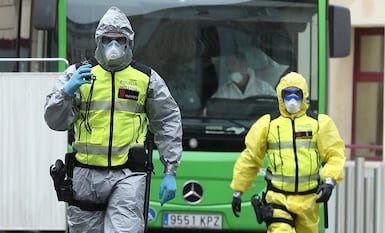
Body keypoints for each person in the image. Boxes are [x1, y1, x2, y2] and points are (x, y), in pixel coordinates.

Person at [44, 6, 182, 233]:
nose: (114, 45)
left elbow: (168, 121)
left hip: (128, 175)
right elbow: (54, 121)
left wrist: (170, 170)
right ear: (99, 41)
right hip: (85, 175)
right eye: (108, 39)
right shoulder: (77, 74)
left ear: (129, 42)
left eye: (120, 39)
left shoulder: (146, 79)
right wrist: (66, 92)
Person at [230, 72, 345, 233]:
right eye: (287, 93)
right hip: (278, 198)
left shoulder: (319, 124)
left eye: (297, 93)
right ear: (280, 95)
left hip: (309, 200)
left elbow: (335, 154)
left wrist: (329, 182)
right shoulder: (267, 124)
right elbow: (250, 158)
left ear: (303, 95)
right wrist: (238, 190)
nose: (292, 98)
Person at [211, 51, 276, 99]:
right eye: (227, 64)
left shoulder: (263, 88)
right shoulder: (224, 92)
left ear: (243, 64)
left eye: (232, 63)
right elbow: (210, 110)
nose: (229, 68)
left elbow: (275, 108)